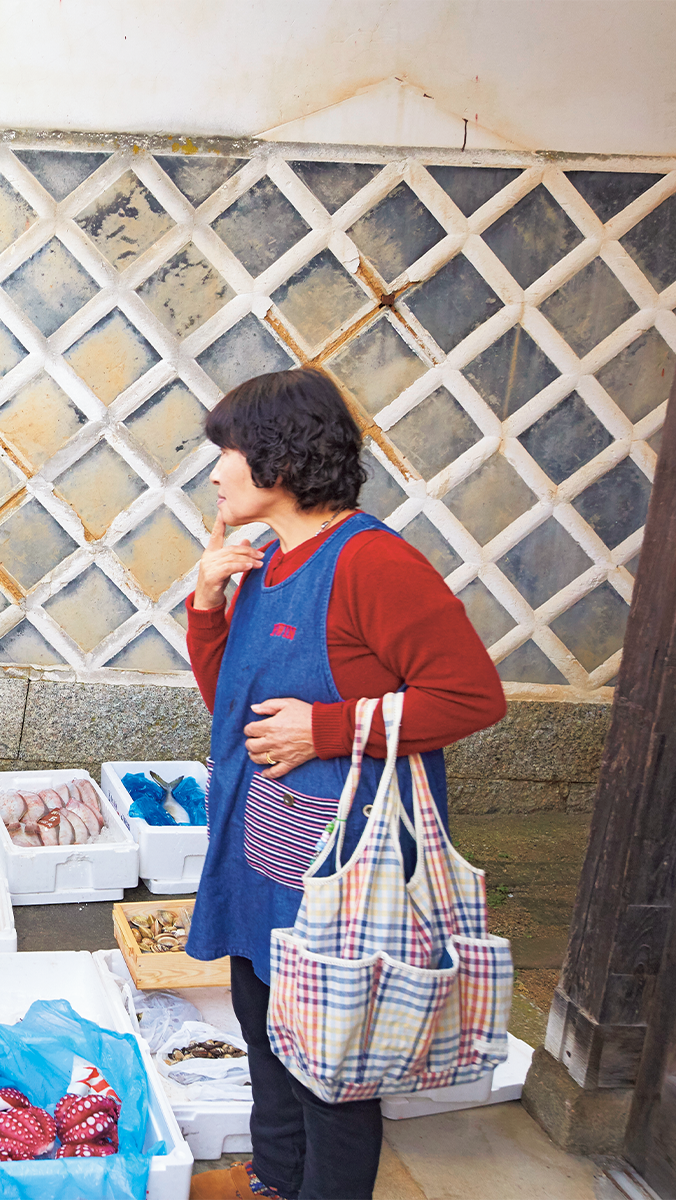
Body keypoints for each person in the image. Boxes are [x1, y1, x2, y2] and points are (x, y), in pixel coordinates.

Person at [182, 368, 506, 1200]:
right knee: (263, 1029)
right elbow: (233, 709)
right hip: (266, 842)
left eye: (228, 450)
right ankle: (274, 1180)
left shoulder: (372, 563)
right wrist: (208, 605)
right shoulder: (266, 561)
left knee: (332, 1062)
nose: (214, 469)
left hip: (344, 863)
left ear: (280, 463)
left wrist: (327, 728)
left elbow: (472, 697)